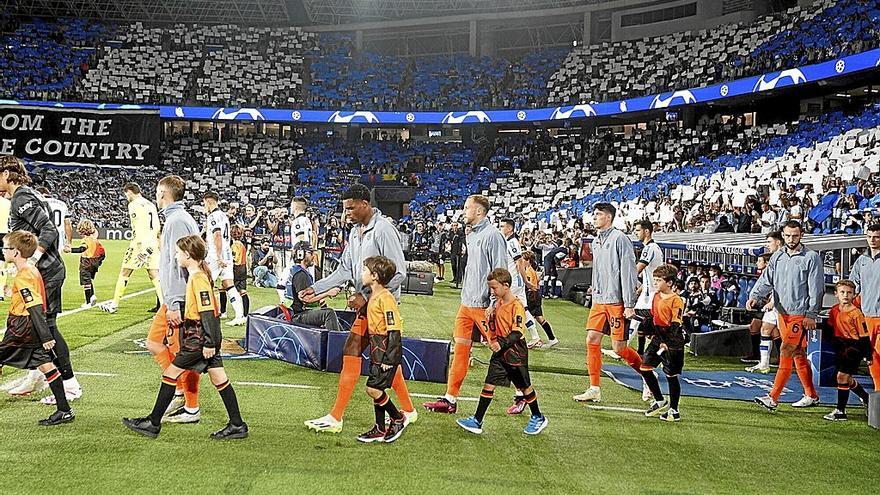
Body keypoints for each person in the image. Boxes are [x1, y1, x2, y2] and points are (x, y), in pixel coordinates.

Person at [301, 184, 415, 433]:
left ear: (365, 203)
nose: (347, 213)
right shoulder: (354, 232)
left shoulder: (384, 229)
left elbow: (400, 273)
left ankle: (337, 416)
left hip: (382, 307)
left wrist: (370, 296)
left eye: (351, 208)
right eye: (345, 209)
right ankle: (408, 409)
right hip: (367, 305)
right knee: (376, 356)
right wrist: (317, 288)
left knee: (359, 351)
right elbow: (344, 270)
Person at [122, 235, 248, 440]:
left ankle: (153, 423)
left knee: (170, 375)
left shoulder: (197, 278)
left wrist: (208, 343)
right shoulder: (198, 275)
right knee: (220, 379)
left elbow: (208, 312)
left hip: (197, 338)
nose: (176, 255)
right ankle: (237, 424)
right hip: (203, 336)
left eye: (179, 252)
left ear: (188, 255)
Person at [0, 156, 81, 402]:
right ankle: (36, 377)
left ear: (6, 173)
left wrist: (33, 259)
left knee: (47, 327)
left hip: (46, 271)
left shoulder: (22, 198)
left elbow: (48, 230)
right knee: (39, 327)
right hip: (47, 269)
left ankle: (70, 384)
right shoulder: (25, 195)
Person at [423, 195, 509, 414]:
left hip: (483, 305)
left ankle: (522, 394)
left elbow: (500, 272)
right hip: (466, 303)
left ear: (479, 212)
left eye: (466, 208)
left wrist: (494, 303)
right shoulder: (471, 235)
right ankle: (450, 399)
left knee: (502, 351)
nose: (463, 211)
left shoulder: (493, 236)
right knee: (460, 350)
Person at [455, 268, 548, 436]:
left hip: (515, 352)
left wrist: (501, 343)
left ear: (506, 286)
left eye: (494, 288)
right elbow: (495, 327)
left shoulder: (516, 305)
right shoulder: (497, 304)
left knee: (524, 387)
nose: (492, 291)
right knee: (489, 383)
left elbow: (518, 331)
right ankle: (477, 420)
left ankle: (537, 416)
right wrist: (490, 320)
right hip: (501, 352)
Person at [0, 231, 75, 425]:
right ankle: (64, 410)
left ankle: (64, 410)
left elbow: (33, 305)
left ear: (16, 252)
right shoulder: (31, 270)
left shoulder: (24, 275)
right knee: (46, 365)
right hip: (29, 325)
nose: (3, 251)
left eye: (6, 248)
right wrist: (12, 293)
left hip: (22, 326)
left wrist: (45, 335)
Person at [144, 175, 202, 424]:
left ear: (162, 194)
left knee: (181, 353)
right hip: (175, 297)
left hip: (178, 300)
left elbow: (180, 265)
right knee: (155, 343)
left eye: (157, 193)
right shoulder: (179, 218)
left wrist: (175, 303)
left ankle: (191, 407)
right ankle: (180, 391)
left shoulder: (177, 221)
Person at [748, 220, 822, 411]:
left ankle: (772, 398)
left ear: (801, 235)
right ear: (783, 234)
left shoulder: (811, 257)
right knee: (797, 353)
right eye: (788, 235)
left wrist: (812, 313)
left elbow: (817, 288)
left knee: (786, 351)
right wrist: (755, 296)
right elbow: (767, 279)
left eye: (795, 235)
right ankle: (811, 395)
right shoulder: (778, 255)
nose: (791, 239)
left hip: (799, 314)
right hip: (782, 313)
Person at [574, 203, 641, 403]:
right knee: (591, 340)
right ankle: (594, 388)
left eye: (598, 215)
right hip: (599, 300)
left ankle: (647, 373)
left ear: (609, 217)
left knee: (619, 348)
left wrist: (629, 304)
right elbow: (598, 269)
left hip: (616, 301)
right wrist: (595, 287)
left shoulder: (621, 239)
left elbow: (628, 272)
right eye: (594, 214)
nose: (594, 218)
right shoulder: (595, 242)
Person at [356, 256, 408, 443]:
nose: (362, 273)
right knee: (376, 387)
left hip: (386, 351)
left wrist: (389, 358)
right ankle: (379, 428)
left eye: (365, 270)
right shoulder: (373, 295)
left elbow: (394, 329)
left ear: (375, 276)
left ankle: (397, 418)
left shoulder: (386, 298)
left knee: (372, 388)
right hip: (377, 351)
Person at [99, 183, 162, 314]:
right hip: (152, 243)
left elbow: (136, 226)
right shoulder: (150, 204)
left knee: (124, 272)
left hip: (140, 243)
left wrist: (139, 247)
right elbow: (157, 226)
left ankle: (114, 304)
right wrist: (157, 241)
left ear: (129, 192)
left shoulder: (133, 205)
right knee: (154, 275)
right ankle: (164, 306)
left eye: (126, 194)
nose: (126, 197)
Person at [639, 264, 687, 422]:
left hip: (672, 342)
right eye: (655, 279)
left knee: (671, 375)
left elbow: (676, 323)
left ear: (670, 283)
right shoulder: (656, 296)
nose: (655, 283)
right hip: (658, 338)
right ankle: (659, 400)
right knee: (645, 368)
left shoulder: (676, 300)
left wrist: (667, 342)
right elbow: (653, 315)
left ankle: (674, 410)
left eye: (659, 280)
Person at [823, 280, 872, 421]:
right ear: (836, 294)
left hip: (853, 347)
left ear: (854, 295)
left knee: (842, 377)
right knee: (846, 379)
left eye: (849, 293)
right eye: (842, 292)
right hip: (840, 346)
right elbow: (831, 328)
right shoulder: (834, 310)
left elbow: (864, 335)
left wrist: (867, 355)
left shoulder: (856, 313)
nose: (846, 295)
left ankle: (841, 411)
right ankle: (866, 398)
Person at [203, 192, 246, 326]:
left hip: (217, 255)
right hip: (227, 254)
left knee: (204, 283)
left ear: (209, 202)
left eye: (205, 204)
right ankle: (240, 315)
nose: (205, 207)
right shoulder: (223, 215)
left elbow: (217, 235)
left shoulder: (213, 216)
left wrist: (218, 256)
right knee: (229, 285)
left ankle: (204, 314)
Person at [846, 223, 880, 391]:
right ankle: (878, 392)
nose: (872, 240)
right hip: (867, 316)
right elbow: (854, 285)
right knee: (871, 357)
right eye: (870, 237)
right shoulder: (862, 260)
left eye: (876, 237)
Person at [499, 218, 542, 348]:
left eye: (502, 227)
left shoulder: (512, 242)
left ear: (510, 229)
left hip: (513, 282)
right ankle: (535, 336)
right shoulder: (509, 241)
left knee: (503, 305)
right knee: (523, 308)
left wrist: (525, 281)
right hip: (516, 281)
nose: (500, 229)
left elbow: (519, 263)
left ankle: (502, 334)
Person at [280, 241, 342, 331]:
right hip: (297, 316)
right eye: (311, 253)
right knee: (329, 313)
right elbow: (306, 299)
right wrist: (328, 293)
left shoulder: (296, 270)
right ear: (301, 254)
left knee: (328, 313)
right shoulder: (301, 275)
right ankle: (336, 343)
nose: (314, 256)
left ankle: (342, 338)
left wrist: (322, 299)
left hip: (295, 313)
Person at [746, 231, 784, 374]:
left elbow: (785, 284)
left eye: (769, 242)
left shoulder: (785, 258)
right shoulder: (775, 259)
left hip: (785, 305)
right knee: (765, 330)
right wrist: (754, 296)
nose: (768, 245)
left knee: (784, 336)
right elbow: (768, 282)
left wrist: (773, 301)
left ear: (778, 242)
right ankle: (763, 363)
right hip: (774, 304)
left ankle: (790, 364)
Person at [70, 219, 105, 308]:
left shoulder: (85, 240)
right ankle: (92, 296)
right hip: (95, 261)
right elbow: (103, 252)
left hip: (86, 262)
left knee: (86, 282)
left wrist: (70, 250)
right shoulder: (94, 238)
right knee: (89, 280)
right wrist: (99, 262)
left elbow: (82, 249)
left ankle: (88, 302)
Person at [35, 187, 72, 254]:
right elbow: (67, 224)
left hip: (42, 237)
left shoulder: (38, 203)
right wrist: (68, 243)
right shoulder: (62, 204)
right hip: (59, 240)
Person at [230, 224, 250, 318]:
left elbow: (235, 258)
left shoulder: (235, 245)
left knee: (229, 289)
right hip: (243, 268)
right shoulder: (242, 244)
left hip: (236, 269)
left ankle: (226, 312)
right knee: (243, 291)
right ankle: (246, 314)